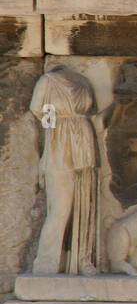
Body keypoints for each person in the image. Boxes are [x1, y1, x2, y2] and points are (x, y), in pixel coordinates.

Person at [29, 67, 99, 275]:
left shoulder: (84, 82)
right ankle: (46, 261)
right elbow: (39, 113)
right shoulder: (48, 82)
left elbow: (91, 112)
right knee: (60, 207)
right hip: (59, 144)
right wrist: (45, 154)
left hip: (84, 143)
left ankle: (82, 259)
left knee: (85, 203)